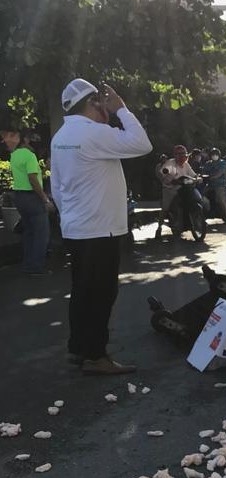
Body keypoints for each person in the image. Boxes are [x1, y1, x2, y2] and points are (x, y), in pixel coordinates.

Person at [50, 78, 152, 374]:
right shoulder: (94, 133)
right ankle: (96, 356)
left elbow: (56, 186)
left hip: (76, 228)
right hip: (100, 228)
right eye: (101, 101)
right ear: (93, 103)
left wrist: (68, 217)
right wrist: (121, 109)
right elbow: (141, 144)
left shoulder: (61, 136)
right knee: (102, 292)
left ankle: (79, 348)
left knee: (82, 290)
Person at [1, 123, 54, 274]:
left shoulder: (14, 155)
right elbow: (32, 179)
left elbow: (26, 174)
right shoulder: (29, 156)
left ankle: (28, 264)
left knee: (29, 232)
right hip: (32, 197)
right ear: (25, 141)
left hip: (20, 197)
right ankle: (36, 267)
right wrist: (45, 199)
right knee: (41, 233)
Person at [155, 144, 197, 237]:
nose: (182, 156)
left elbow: (193, 174)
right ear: (175, 155)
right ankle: (159, 227)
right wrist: (168, 176)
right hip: (170, 189)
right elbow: (165, 171)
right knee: (165, 208)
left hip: (183, 188)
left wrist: (197, 177)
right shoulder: (170, 163)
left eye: (183, 154)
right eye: (179, 154)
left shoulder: (186, 164)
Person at [202, 146, 226, 219]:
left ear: (219, 155)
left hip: (220, 185)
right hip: (209, 184)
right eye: (213, 154)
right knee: (201, 196)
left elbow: (220, 173)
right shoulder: (208, 163)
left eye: (216, 154)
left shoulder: (222, 163)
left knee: (221, 200)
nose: (214, 155)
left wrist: (213, 177)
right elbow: (203, 172)